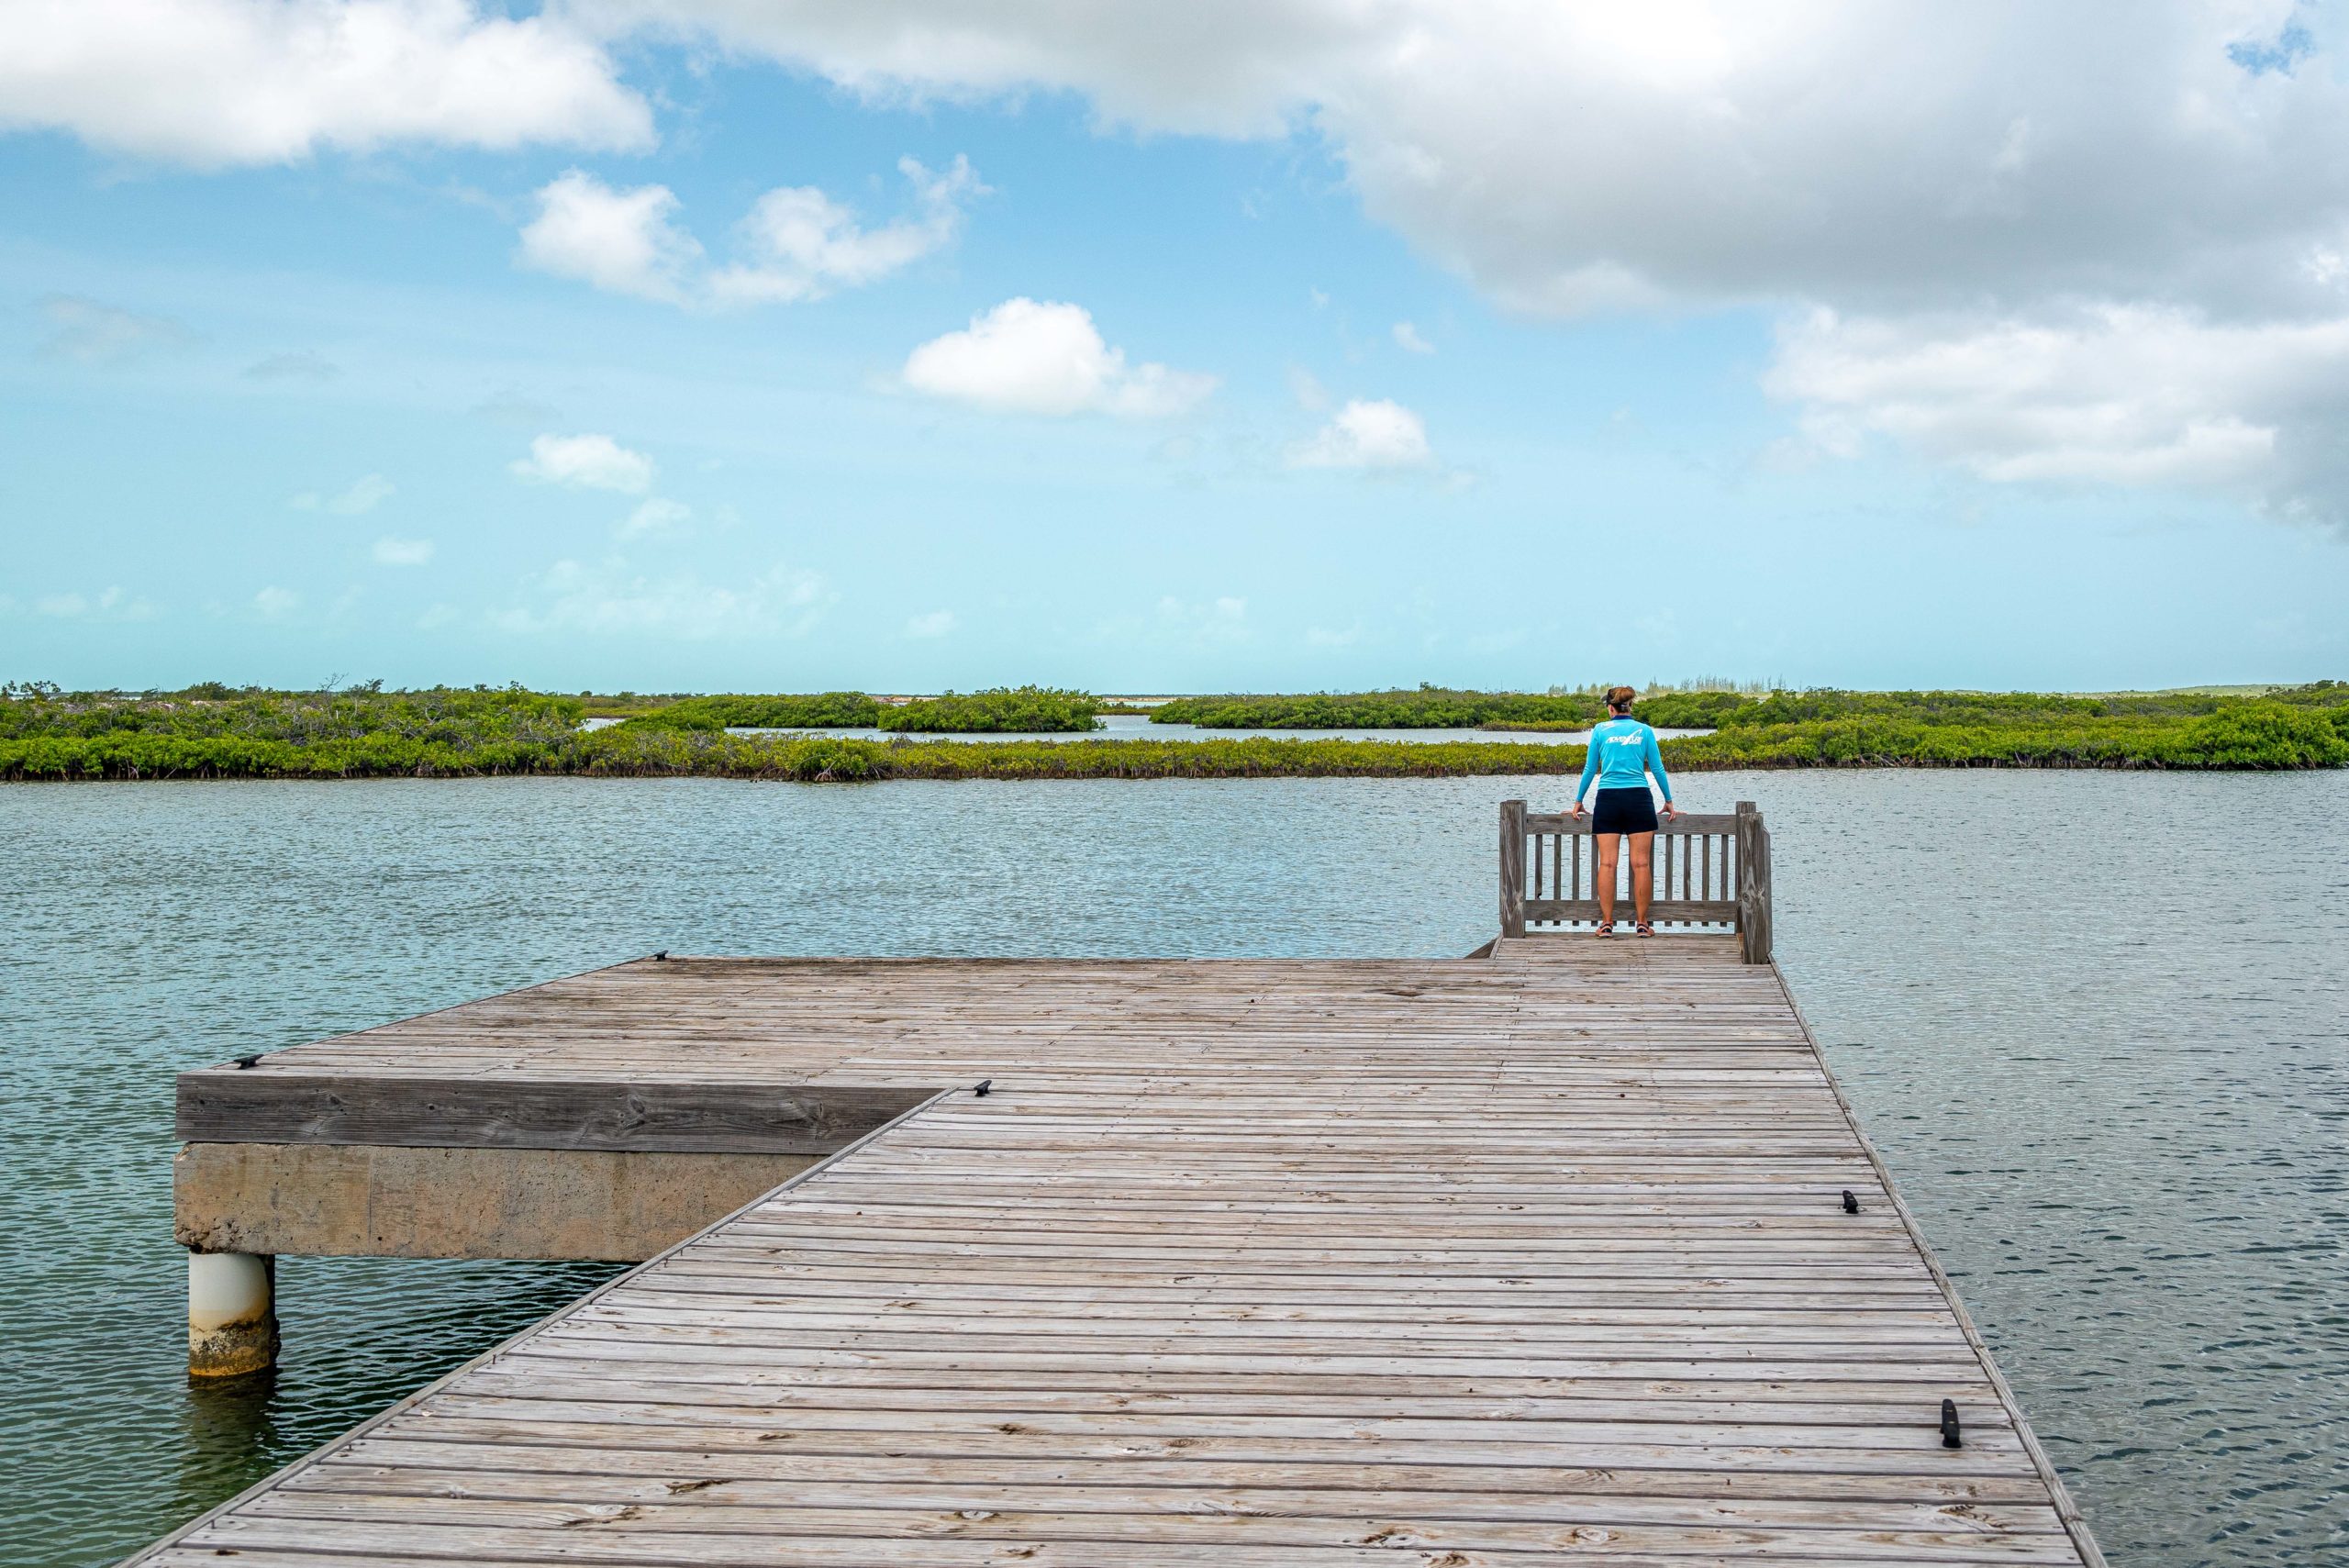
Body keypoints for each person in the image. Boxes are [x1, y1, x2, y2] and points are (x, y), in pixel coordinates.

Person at [1570, 685, 1678, 937]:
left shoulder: (1600, 730)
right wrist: (1669, 800)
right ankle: (1642, 924)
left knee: (1607, 863)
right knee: (1641, 864)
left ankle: (1607, 924)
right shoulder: (1645, 731)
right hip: (1639, 798)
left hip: (1608, 798)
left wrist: (1578, 800)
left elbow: (1589, 769)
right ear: (1630, 707)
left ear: (1610, 708)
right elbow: (1658, 769)